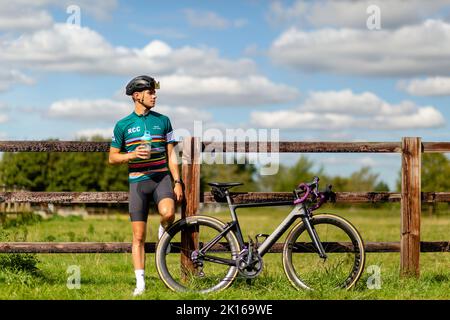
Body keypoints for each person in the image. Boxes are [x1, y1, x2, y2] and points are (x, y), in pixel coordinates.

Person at [109, 75, 183, 296]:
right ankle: (140, 283)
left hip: (161, 178)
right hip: (138, 182)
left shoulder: (164, 120)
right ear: (137, 96)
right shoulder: (123, 125)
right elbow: (112, 158)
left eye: (154, 92)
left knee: (169, 213)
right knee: (139, 237)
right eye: (150, 92)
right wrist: (131, 155)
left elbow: (171, 154)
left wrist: (177, 181)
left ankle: (163, 229)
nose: (154, 95)